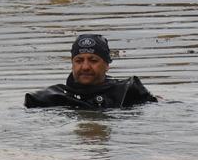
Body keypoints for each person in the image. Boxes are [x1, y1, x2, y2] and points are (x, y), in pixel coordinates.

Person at [24, 33, 158, 110]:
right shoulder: (48, 98)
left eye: (93, 60)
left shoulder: (128, 92)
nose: (85, 67)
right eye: (79, 60)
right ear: (72, 64)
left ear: (107, 65)